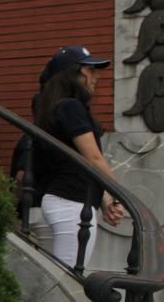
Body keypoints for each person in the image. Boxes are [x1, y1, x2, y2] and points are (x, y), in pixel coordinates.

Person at [33, 46, 124, 267]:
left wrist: (105, 200)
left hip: (64, 200)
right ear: (73, 74)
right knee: (67, 280)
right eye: (90, 70)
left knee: (57, 279)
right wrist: (120, 195)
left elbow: (82, 163)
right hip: (70, 203)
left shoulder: (59, 107)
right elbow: (92, 158)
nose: (97, 76)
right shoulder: (70, 107)